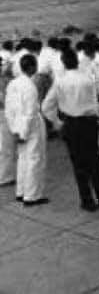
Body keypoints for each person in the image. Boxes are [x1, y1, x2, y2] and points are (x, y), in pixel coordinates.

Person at [42, 49, 99, 212]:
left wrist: (57, 122)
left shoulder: (60, 81)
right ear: (77, 61)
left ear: (64, 63)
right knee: (94, 160)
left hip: (70, 124)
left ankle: (87, 201)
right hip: (89, 122)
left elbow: (46, 106)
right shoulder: (90, 77)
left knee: (78, 164)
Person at [7, 55, 48, 206]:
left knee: (23, 159)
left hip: (17, 125)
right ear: (32, 67)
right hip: (31, 127)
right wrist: (23, 132)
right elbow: (30, 113)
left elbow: (9, 110)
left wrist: (15, 129)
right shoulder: (30, 87)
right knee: (34, 160)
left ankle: (21, 191)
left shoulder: (13, 83)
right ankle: (32, 196)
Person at [0, 65, 14, 188]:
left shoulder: (5, 80)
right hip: (3, 114)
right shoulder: (4, 81)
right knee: (6, 148)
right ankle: (4, 177)